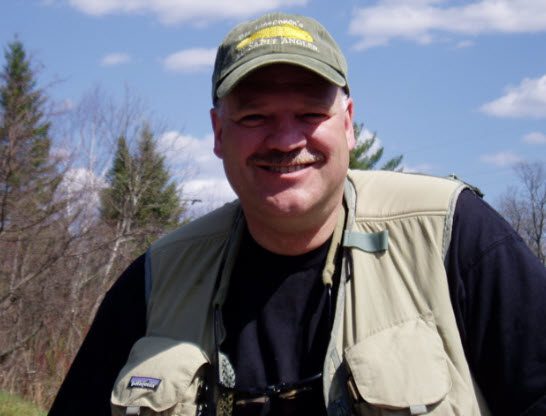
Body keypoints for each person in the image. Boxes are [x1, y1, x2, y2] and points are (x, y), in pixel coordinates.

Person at [49, 12, 546, 416]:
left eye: (310, 114)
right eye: (254, 117)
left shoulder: (453, 236)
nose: (287, 141)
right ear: (219, 134)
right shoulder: (159, 280)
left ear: (349, 125)